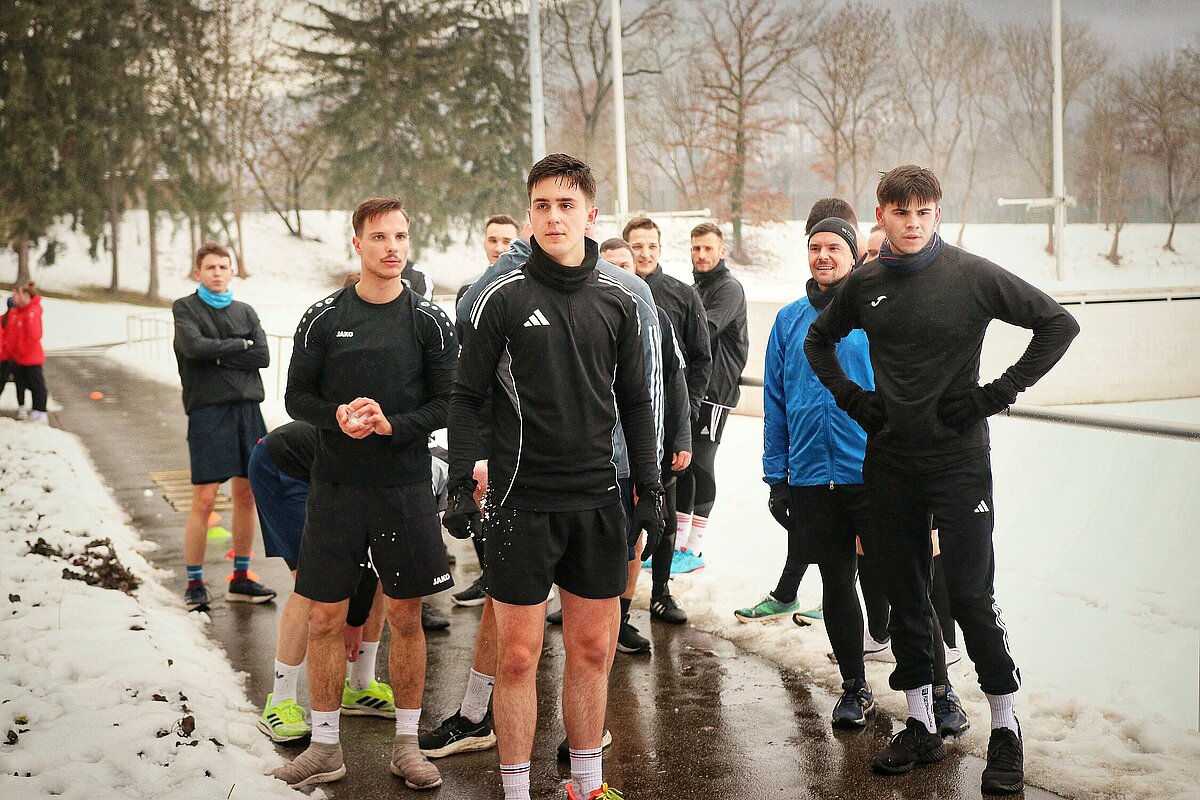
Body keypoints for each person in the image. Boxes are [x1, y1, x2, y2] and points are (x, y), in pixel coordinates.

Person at [805, 165, 1079, 793]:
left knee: (970, 596)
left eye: (923, 212)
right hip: (890, 461)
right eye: (900, 213)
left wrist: (995, 394)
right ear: (881, 216)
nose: (913, 223)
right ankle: (921, 722)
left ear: (937, 213)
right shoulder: (866, 282)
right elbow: (818, 343)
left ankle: (1005, 728)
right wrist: (855, 400)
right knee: (904, 594)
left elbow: (1058, 324)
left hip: (958, 461)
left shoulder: (972, 275)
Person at [444, 153, 662, 800]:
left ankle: (586, 785)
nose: (553, 217)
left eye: (566, 205)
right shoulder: (501, 297)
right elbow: (466, 397)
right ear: (530, 215)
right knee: (517, 656)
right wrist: (459, 482)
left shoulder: (621, 297)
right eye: (541, 205)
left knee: (593, 651)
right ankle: (517, 791)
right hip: (521, 501)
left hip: (597, 500)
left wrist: (650, 487)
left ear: (590, 215)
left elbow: (638, 402)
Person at [270, 197, 458, 790]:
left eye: (400, 236)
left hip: (404, 488)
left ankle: (407, 745)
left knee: (406, 616)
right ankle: (325, 746)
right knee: (325, 617)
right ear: (357, 243)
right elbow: (295, 398)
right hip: (336, 488)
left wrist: (391, 425)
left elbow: (448, 403)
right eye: (379, 237)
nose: (392, 247)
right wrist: (337, 416)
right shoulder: (323, 317)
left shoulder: (430, 321)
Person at [251, 421, 449, 743]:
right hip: (283, 466)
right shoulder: (417, 473)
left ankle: (360, 685)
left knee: (387, 570)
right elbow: (364, 548)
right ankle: (280, 700)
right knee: (313, 584)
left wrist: (356, 618)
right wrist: (354, 620)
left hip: (338, 473)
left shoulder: (446, 472)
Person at [599, 237, 692, 649]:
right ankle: (589, 609)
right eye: (610, 265)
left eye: (625, 265)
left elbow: (674, 379)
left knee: (635, 536)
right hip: (596, 451)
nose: (618, 272)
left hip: (641, 450)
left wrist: (681, 436)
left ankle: (620, 617)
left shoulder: (655, 315)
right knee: (596, 539)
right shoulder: (590, 308)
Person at [171, 245, 275, 609]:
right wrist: (239, 346)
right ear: (198, 272)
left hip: (248, 410)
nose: (217, 272)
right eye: (210, 267)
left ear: (232, 272)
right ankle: (194, 583)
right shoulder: (185, 308)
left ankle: (241, 579)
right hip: (208, 412)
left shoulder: (245, 311)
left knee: (247, 496)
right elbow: (194, 348)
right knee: (204, 500)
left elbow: (262, 355)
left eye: (223, 266)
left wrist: (219, 354)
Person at [622, 215, 710, 622]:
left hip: (667, 424)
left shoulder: (680, 296)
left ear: (660, 248)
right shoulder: (607, 292)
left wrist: (684, 422)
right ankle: (599, 600)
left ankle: (660, 592)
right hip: (618, 434)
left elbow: (698, 361)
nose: (644, 254)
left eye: (651, 246)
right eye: (636, 246)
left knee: (664, 514)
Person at [452, 212, 522, 609]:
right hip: (481, 408)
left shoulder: (529, 288)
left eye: (506, 241)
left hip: (518, 412)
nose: (499, 248)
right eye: (492, 240)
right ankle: (488, 573)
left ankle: (522, 574)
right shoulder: (471, 292)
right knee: (482, 493)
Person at [674, 221, 748, 573]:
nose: (701, 255)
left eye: (707, 248)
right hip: (692, 390)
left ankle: (695, 550)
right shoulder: (694, 288)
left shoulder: (729, 289)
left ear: (722, 251)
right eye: (696, 248)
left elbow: (706, 330)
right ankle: (678, 545)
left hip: (716, 393)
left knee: (702, 464)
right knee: (683, 466)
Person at [6, 283, 47, 423]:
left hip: (30, 357)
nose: (14, 298)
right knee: (21, 383)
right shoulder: (17, 312)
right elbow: (12, 334)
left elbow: (34, 335)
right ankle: (31, 409)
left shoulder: (32, 311)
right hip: (18, 357)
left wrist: (22, 349)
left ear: (25, 295)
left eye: (17, 294)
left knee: (37, 384)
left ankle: (40, 410)